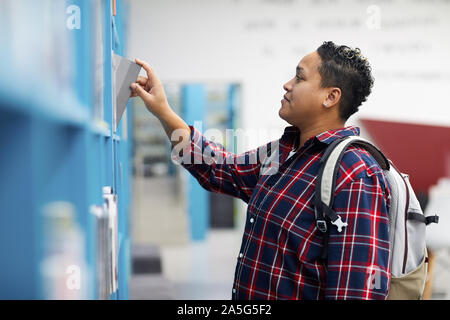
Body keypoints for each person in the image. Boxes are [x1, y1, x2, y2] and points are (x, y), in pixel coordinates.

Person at [130, 41, 391, 300]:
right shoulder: (282, 154)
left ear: (330, 97)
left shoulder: (356, 174)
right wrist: (163, 110)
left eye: (299, 78)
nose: (287, 84)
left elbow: (358, 291)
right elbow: (219, 168)